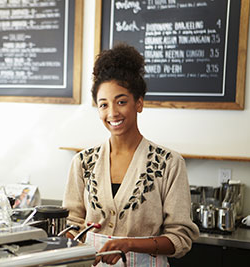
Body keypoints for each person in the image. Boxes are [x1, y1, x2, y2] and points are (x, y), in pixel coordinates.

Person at [62, 43, 199, 266]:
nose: (112, 113)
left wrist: (129, 244)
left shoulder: (168, 163)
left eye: (121, 102)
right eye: (103, 105)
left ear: (139, 103)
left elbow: (180, 238)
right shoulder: (83, 162)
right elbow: (72, 224)